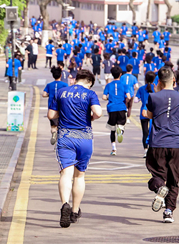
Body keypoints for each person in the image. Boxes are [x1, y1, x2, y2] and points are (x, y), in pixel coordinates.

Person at [47, 69, 102, 228]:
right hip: (84, 138)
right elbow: (98, 113)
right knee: (79, 176)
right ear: (90, 83)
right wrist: (90, 117)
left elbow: (51, 115)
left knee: (66, 173)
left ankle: (65, 204)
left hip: (65, 137)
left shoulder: (61, 92)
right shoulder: (90, 94)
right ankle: (75, 211)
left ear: (75, 79)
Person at [143, 67, 179, 223]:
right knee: (174, 178)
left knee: (156, 175)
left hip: (157, 142)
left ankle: (160, 187)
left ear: (158, 81)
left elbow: (150, 115)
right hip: (176, 143)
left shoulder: (153, 97)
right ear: (174, 80)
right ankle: (168, 212)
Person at [102, 66, 132, 155]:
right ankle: (121, 131)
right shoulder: (124, 85)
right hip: (121, 107)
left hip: (111, 108)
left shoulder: (108, 85)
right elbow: (129, 97)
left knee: (112, 129)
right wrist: (124, 99)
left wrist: (109, 98)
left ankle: (114, 149)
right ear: (120, 74)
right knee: (121, 125)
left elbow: (104, 97)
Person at [43, 67, 69, 145]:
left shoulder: (49, 85)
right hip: (62, 107)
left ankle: (54, 133)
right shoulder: (64, 85)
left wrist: (50, 95)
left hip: (52, 108)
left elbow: (44, 94)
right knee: (62, 125)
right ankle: (59, 142)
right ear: (61, 75)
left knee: (53, 125)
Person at [137, 71, 156, 158]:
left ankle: (145, 150)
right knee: (154, 131)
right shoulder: (156, 88)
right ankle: (152, 149)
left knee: (145, 132)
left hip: (143, 112)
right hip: (154, 111)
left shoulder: (141, 89)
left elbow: (136, 100)